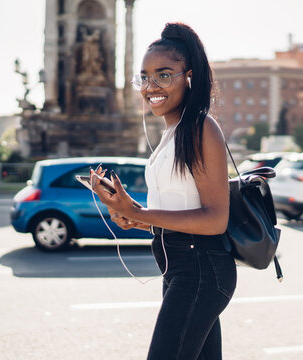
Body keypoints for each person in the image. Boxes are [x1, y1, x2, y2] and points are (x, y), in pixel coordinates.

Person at [90, 22, 235, 360]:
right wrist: (134, 219)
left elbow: (215, 220)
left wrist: (139, 212)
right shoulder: (173, 134)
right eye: (144, 77)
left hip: (201, 269)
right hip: (179, 268)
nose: (150, 86)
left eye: (164, 75)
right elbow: (181, 212)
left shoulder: (200, 128)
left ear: (190, 76)